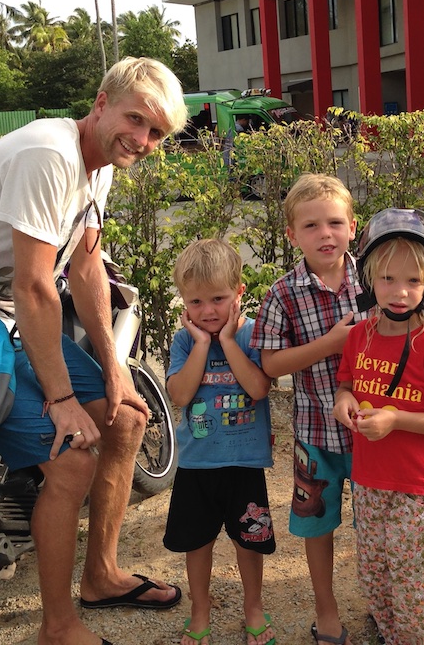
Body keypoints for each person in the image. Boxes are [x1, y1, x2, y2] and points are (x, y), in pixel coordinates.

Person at [0, 57, 188, 645]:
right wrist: (63, 399)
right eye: (135, 120)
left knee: (127, 420)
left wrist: (114, 368)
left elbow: (87, 263)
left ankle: (100, 575)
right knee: (72, 457)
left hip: (3, 319)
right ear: (100, 103)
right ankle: (58, 626)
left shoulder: (100, 164)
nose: (143, 140)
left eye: (157, 133)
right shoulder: (49, 153)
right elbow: (35, 286)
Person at [333, 208, 424, 643]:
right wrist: (345, 404)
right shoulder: (360, 336)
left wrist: (396, 420)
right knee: (379, 579)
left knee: (420, 591)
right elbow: (345, 387)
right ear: (369, 279)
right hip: (370, 486)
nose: (399, 292)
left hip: (420, 492)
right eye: (388, 279)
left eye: (413, 281)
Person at [250, 173, 368, 645]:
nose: (326, 234)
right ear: (291, 235)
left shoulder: (378, 280)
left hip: (375, 434)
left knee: (378, 524)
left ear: (353, 227)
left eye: (335, 222)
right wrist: (330, 343)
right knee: (317, 526)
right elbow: (272, 363)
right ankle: (327, 608)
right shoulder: (282, 293)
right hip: (316, 433)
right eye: (312, 225)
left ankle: (382, 601)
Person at [163, 239, 276, 645]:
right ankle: (200, 609)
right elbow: (179, 395)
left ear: (239, 294)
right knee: (198, 542)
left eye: (218, 298)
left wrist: (227, 341)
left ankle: (254, 608)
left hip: (244, 462)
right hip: (197, 464)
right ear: (183, 303)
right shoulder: (183, 342)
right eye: (195, 302)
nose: (207, 311)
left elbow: (259, 388)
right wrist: (202, 344)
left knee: (249, 540)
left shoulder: (250, 335)